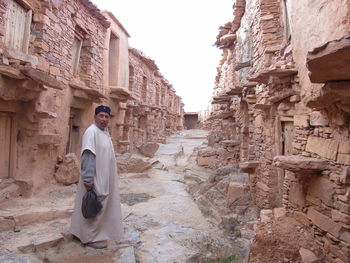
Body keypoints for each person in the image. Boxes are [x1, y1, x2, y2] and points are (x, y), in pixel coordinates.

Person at [69, 105, 123, 249]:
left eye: (107, 117)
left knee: (93, 205)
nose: (104, 119)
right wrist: (88, 180)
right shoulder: (91, 132)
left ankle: (80, 232)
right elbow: (88, 155)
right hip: (94, 179)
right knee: (94, 207)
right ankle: (89, 238)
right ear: (95, 117)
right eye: (101, 116)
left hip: (103, 177)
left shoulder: (104, 132)